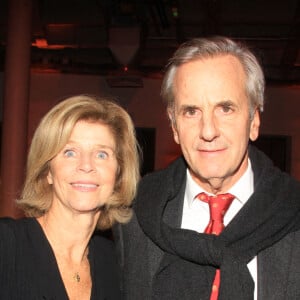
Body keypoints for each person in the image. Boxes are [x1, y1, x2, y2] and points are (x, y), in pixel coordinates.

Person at [113, 36, 300, 300]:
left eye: (225, 108)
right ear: (174, 126)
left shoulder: (294, 213)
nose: (208, 131)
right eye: (191, 111)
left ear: (254, 121)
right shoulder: (132, 216)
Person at [0, 94, 140, 299]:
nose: (86, 165)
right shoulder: (7, 244)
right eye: (70, 152)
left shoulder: (116, 264)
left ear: (118, 175)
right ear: (48, 171)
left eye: (101, 154)